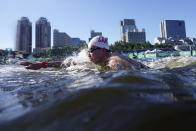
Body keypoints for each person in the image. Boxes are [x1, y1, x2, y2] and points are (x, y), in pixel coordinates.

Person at [20, 36, 148, 70]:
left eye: (91, 51)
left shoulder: (114, 59)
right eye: (88, 51)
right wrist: (42, 64)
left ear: (103, 50)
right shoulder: (95, 59)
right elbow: (67, 63)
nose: (88, 54)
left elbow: (121, 73)